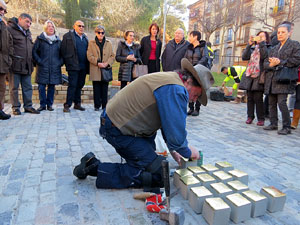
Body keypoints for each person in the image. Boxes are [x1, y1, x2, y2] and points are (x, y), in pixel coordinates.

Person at [73, 58, 214, 190]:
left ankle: (137, 163)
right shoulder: (176, 89)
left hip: (122, 125)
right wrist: (188, 151)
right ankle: (93, 167)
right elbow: (177, 137)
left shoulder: (173, 80)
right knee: (159, 174)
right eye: (196, 95)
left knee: (153, 163)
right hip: (118, 130)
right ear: (189, 82)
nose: (193, 101)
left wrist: (174, 150)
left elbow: (168, 124)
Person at [263, 24, 300, 135]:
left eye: (283, 32)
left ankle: (286, 126)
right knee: (271, 102)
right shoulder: (274, 48)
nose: (280, 34)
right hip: (272, 78)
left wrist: (280, 62)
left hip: (284, 78)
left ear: (289, 33)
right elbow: (265, 63)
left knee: (282, 103)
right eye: (278, 32)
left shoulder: (295, 45)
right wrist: (271, 65)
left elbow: (296, 60)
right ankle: (273, 123)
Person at [7, 13, 39, 115]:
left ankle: (28, 106)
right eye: (27, 22)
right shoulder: (10, 29)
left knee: (28, 87)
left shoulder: (27, 32)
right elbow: (7, 47)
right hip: (14, 64)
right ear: (20, 19)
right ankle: (15, 107)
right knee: (14, 88)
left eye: (30, 23)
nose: (29, 24)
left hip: (27, 65)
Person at [240, 31, 271, 126]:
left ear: (266, 38)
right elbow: (244, 57)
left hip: (259, 75)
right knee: (250, 97)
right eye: (259, 36)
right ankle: (250, 116)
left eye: (262, 37)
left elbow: (265, 55)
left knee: (258, 98)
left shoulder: (269, 47)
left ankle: (261, 118)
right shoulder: (253, 48)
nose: (260, 38)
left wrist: (262, 44)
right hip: (250, 74)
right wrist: (249, 45)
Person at [32, 20, 62, 112]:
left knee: (51, 87)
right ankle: (42, 104)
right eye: (49, 26)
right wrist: (39, 61)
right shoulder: (40, 39)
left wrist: (59, 63)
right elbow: (34, 52)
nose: (51, 28)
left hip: (54, 68)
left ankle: (49, 104)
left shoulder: (58, 41)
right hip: (42, 67)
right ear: (45, 28)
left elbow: (63, 54)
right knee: (41, 87)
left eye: (52, 26)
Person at [61, 20, 89, 112]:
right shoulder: (67, 36)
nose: (81, 27)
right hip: (73, 65)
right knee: (72, 85)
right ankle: (67, 104)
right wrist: (67, 62)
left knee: (80, 85)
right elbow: (63, 51)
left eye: (83, 26)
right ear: (74, 26)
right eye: (79, 26)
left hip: (83, 66)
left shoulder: (85, 38)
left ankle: (77, 104)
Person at [87, 25, 115, 111]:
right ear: (96, 33)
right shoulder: (91, 43)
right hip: (96, 68)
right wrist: (97, 62)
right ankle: (97, 105)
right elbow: (89, 55)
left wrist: (107, 63)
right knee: (96, 88)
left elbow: (112, 56)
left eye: (102, 33)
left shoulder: (108, 43)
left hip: (105, 69)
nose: (101, 34)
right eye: (99, 32)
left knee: (104, 88)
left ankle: (104, 105)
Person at [184, 30, 208, 116]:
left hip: (199, 72)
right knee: (190, 90)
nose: (189, 38)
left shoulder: (203, 47)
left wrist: (196, 67)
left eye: (190, 36)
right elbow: (185, 58)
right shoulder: (189, 47)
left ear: (195, 37)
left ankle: (197, 109)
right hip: (190, 72)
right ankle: (191, 108)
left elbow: (205, 58)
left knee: (198, 90)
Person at [0, 0, 12, 120]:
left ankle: (0, 110)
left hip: (2, 63)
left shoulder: (3, 25)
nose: (2, 12)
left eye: (4, 10)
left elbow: (9, 44)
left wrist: (9, 58)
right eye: (0, 9)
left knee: (2, 88)